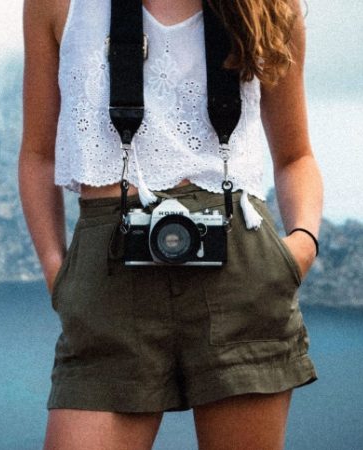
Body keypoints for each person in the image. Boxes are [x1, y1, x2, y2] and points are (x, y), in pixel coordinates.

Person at [18, 0, 322, 448]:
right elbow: (38, 152)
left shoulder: (269, 5)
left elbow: (296, 156)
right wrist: (55, 269)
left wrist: (301, 244)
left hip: (239, 269)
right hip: (109, 281)